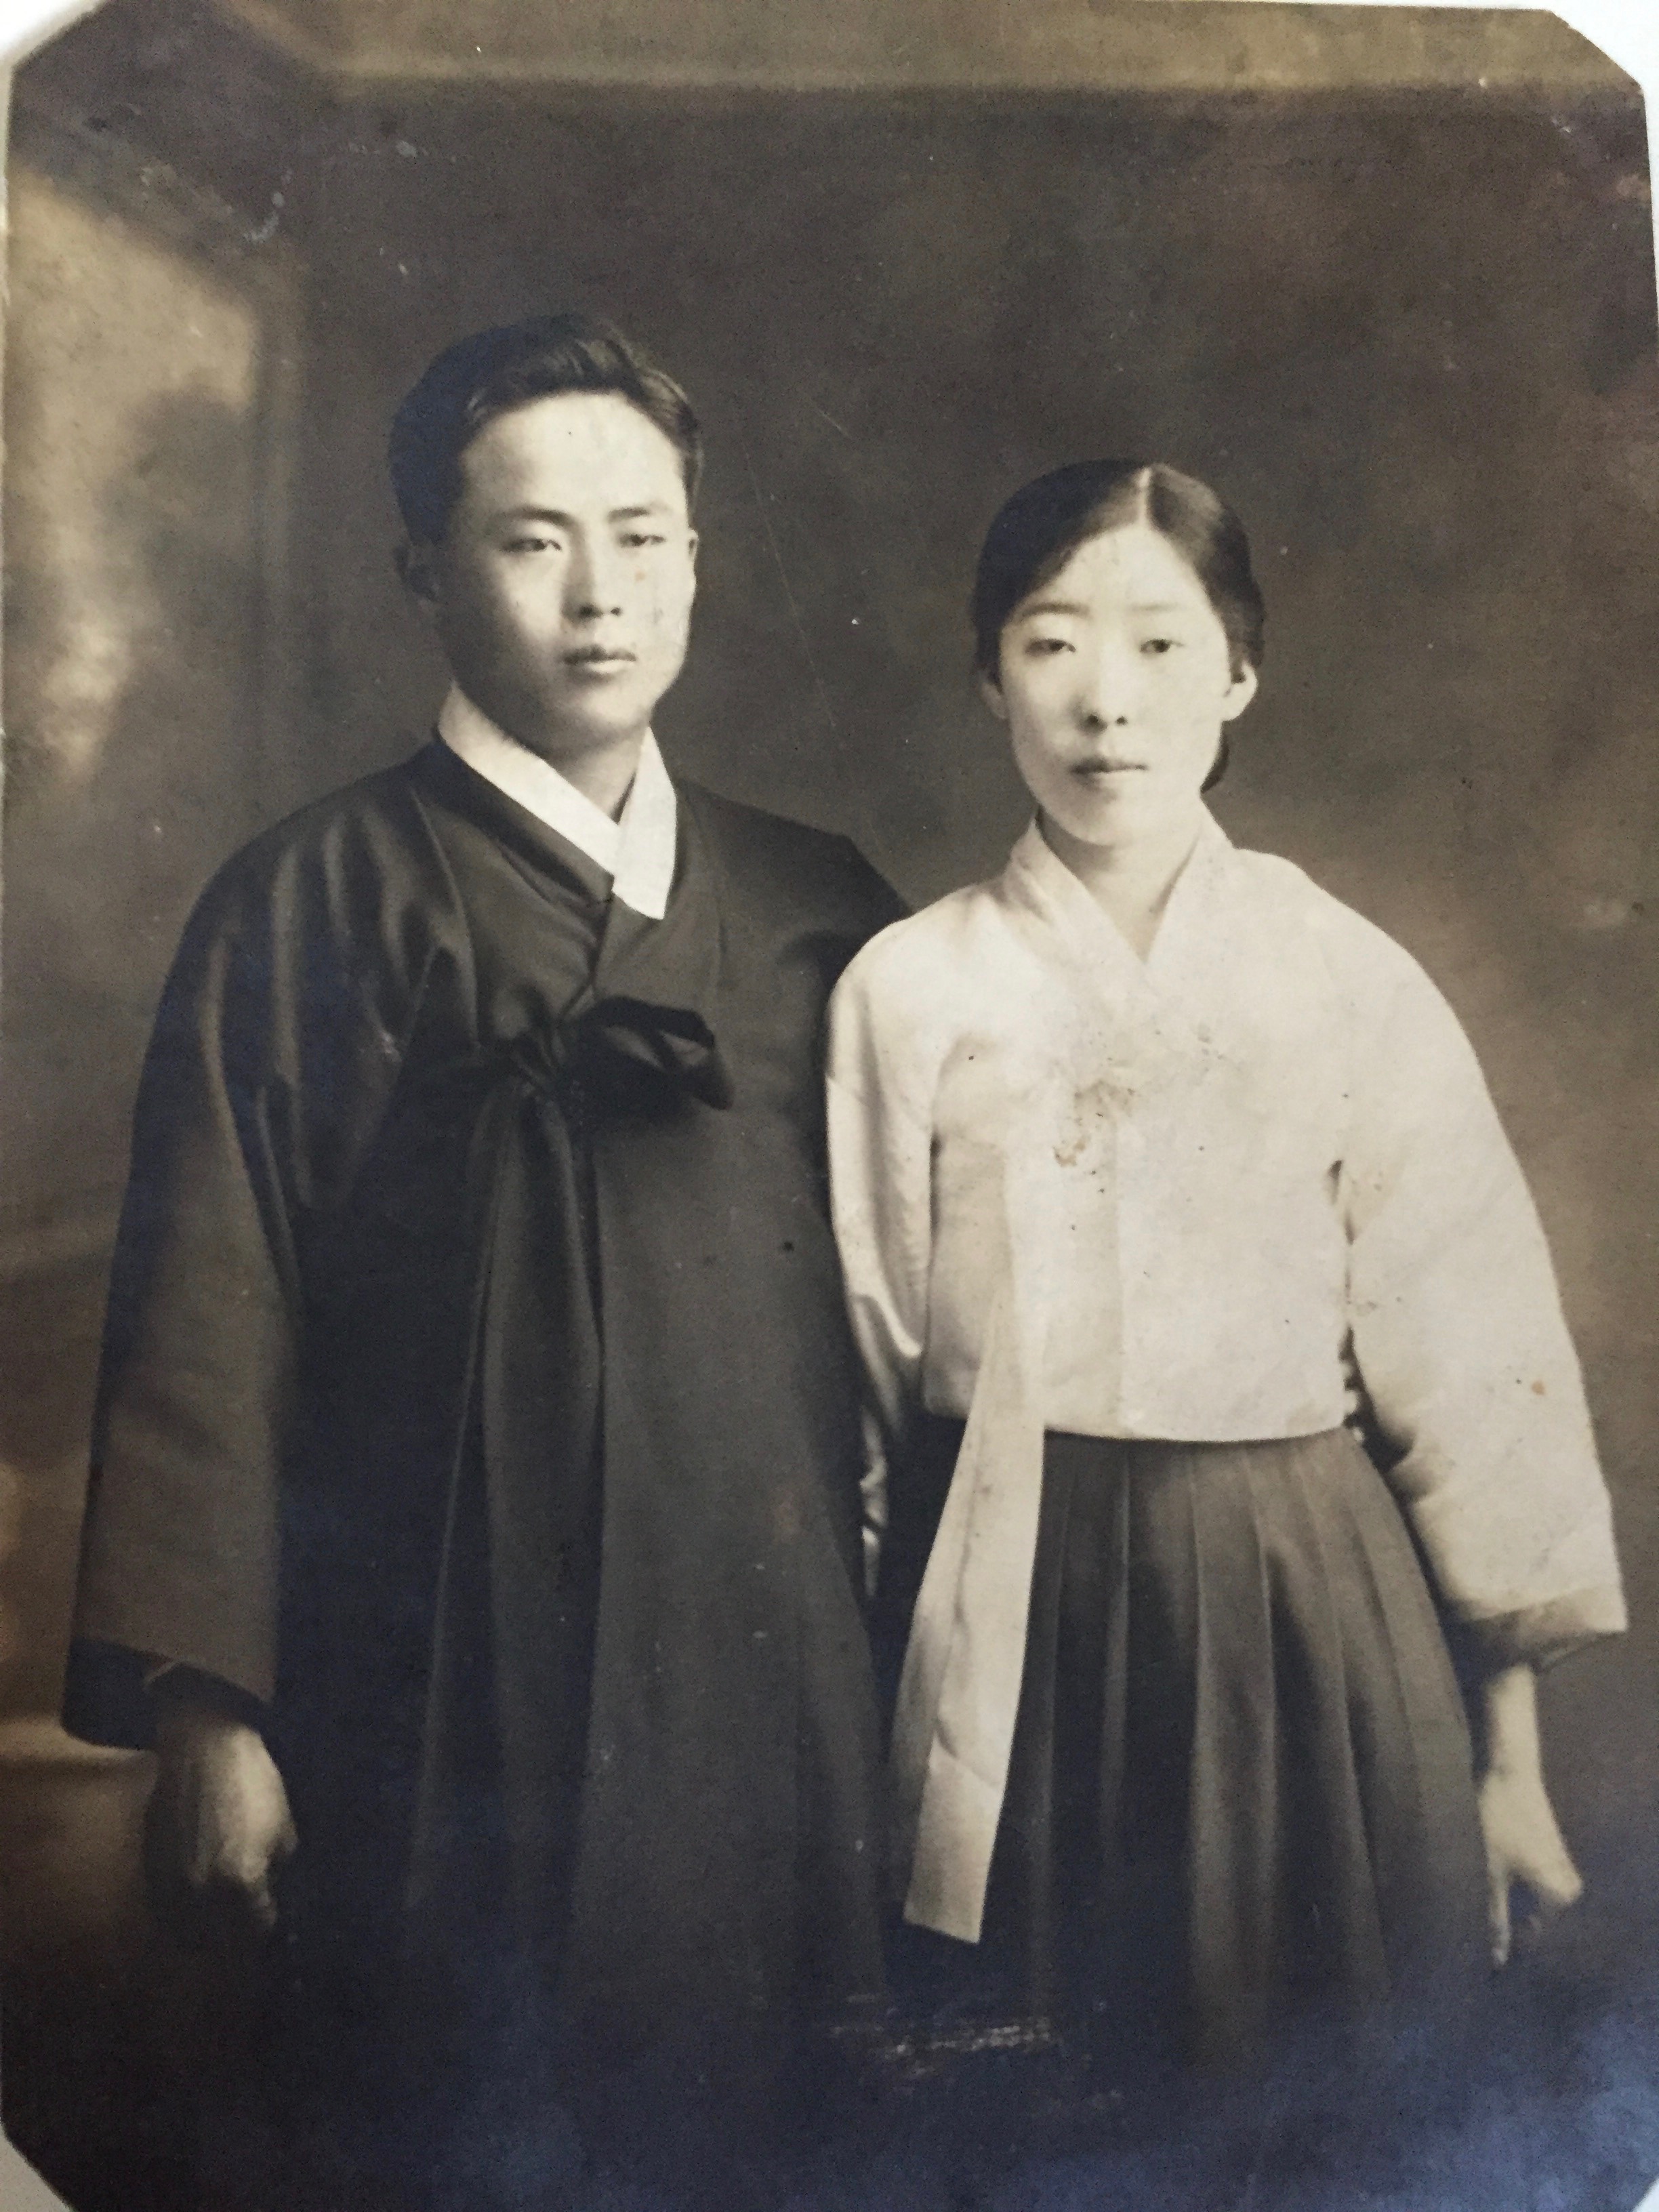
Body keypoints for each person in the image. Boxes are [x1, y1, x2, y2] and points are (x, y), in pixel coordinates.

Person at [61, 312, 902, 2196]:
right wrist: (210, 1708)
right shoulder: (315, 894)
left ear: (699, 552)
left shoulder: (818, 905)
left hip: (767, 1683)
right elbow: (209, 1305)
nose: (600, 594)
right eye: (533, 541)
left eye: (644, 533)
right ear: (423, 573)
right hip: (430, 1683)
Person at [826, 460, 1624, 2090]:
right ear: (988, 676)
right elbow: (867, 1365)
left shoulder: (1341, 977)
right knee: (1029, 2113)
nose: (1104, 702)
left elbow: (1475, 1370)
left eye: (1162, 647)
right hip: (1006, 1617)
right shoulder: (909, 992)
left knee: (1306, 2099)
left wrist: (1510, 1764)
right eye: (1050, 645)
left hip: (1301, 1616)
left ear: (1241, 674)